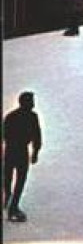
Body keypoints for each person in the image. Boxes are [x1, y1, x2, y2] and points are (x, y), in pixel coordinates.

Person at [3, 92, 42, 223]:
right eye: (31, 101)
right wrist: (35, 152)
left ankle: (8, 197)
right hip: (20, 152)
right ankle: (13, 206)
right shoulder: (32, 117)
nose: (33, 104)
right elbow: (37, 136)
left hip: (9, 151)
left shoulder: (11, 116)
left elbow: (3, 135)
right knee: (20, 180)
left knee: (7, 178)